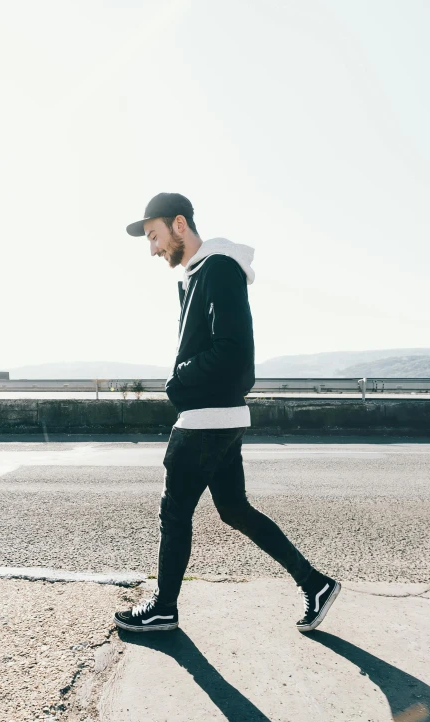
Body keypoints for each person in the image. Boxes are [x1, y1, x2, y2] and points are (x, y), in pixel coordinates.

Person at [114, 193, 340, 633]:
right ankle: (315, 584)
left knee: (174, 511)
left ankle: (164, 607)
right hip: (220, 417)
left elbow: (233, 351)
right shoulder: (199, 275)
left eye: (155, 236)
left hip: (205, 420)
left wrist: (178, 378)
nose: (153, 248)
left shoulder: (218, 270)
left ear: (180, 225)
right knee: (234, 509)